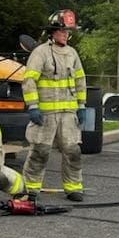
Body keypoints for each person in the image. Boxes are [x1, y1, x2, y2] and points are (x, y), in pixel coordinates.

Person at [21, 10, 87, 201]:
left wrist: (81, 106)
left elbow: (80, 81)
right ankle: (31, 189)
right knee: (40, 152)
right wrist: (33, 106)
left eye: (68, 31)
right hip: (46, 114)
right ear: (53, 31)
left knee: (73, 151)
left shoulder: (72, 54)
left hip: (68, 114)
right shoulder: (40, 53)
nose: (66, 34)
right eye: (63, 30)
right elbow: (29, 80)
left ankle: (74, 187)